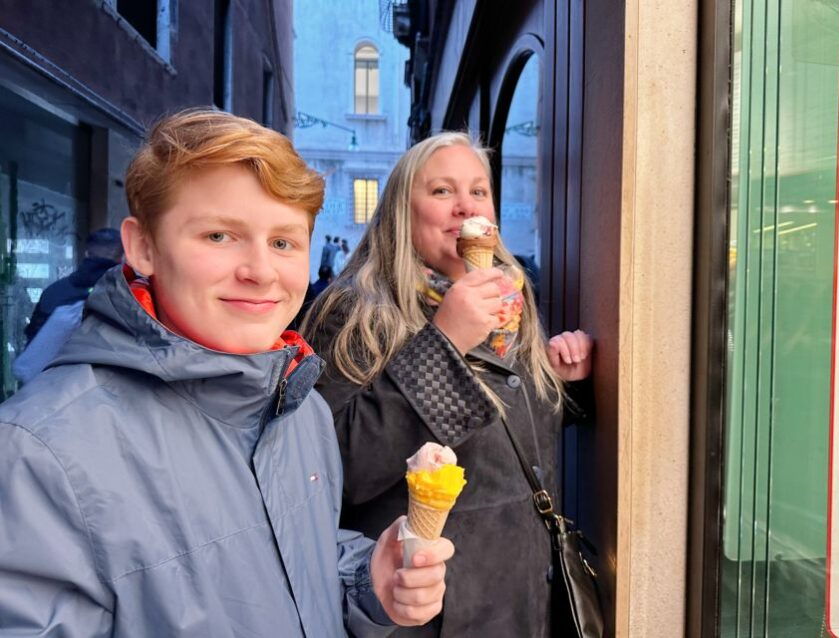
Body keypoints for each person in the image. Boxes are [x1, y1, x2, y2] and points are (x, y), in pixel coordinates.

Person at [0, 109, 453, 636]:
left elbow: (281, 565)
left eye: (283, 242)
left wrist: (365, 579)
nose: (260, 271)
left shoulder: (300, 406)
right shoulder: (37, 454)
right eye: (219, 236)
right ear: (143, 246)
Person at [303, 132, 593, 637]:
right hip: (430, 612)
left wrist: (563, 384)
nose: (465, 207)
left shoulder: (511, 306)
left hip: (524, 596)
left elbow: (511, 446)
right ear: (402, 211)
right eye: (441, 192)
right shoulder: (354, 312)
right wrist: (446, 342)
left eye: (478, 192)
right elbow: (331, 468)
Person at [23, 227, 123, 344]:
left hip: (56, 361)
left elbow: (34, 337)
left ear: (87, 253)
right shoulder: (128, 294)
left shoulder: (54, 291)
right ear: (122, 258)